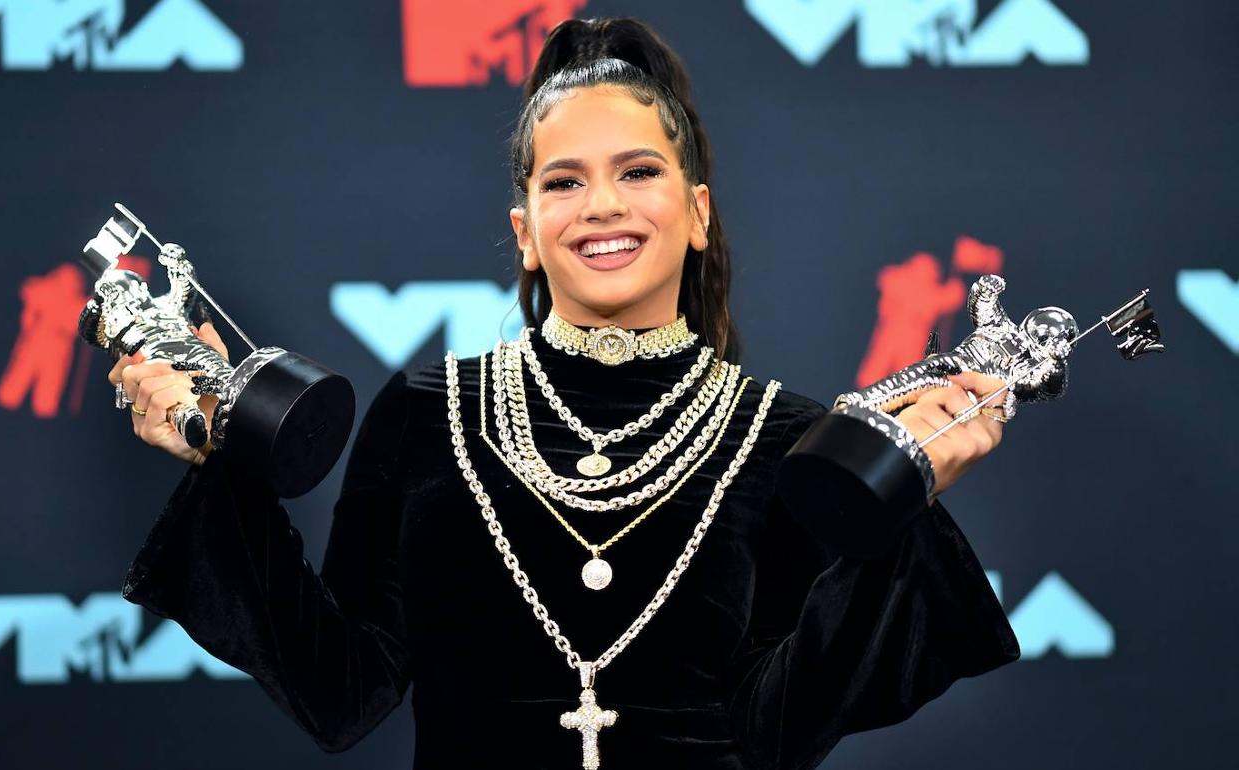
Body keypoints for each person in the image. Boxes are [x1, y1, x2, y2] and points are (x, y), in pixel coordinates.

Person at [108, 17, 1018, 770]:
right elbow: (340, 691)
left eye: (638, 171)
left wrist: (898, 503)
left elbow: (779, 730)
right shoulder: (427, 415)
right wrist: (223, 456)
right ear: (527, 233)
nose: (602, 206)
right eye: (564, 181)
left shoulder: (785, 437)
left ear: (697, 212)